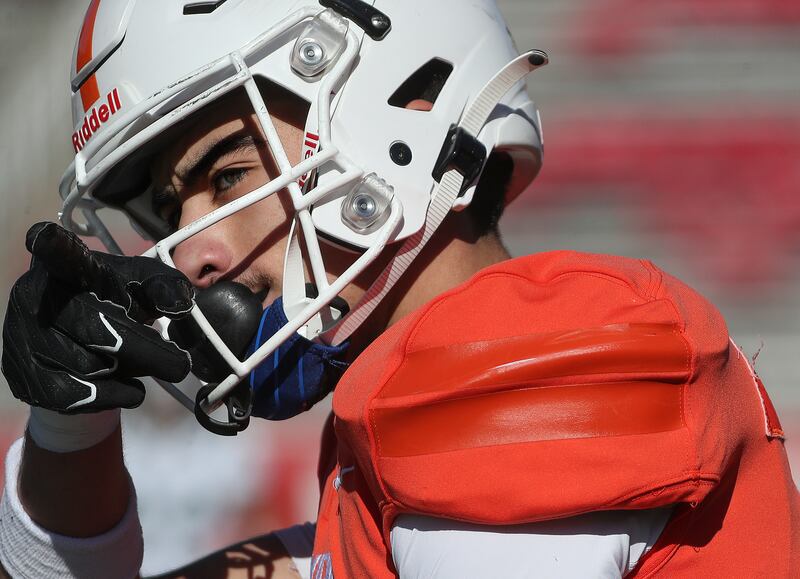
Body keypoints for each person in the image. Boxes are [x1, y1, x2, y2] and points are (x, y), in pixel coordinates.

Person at [1, 0, 798, 578]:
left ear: (399, 116)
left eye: (228, 175)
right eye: (172, 211)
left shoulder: (523, 366)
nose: (193, 254)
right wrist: (69, 430)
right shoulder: (391, 438)